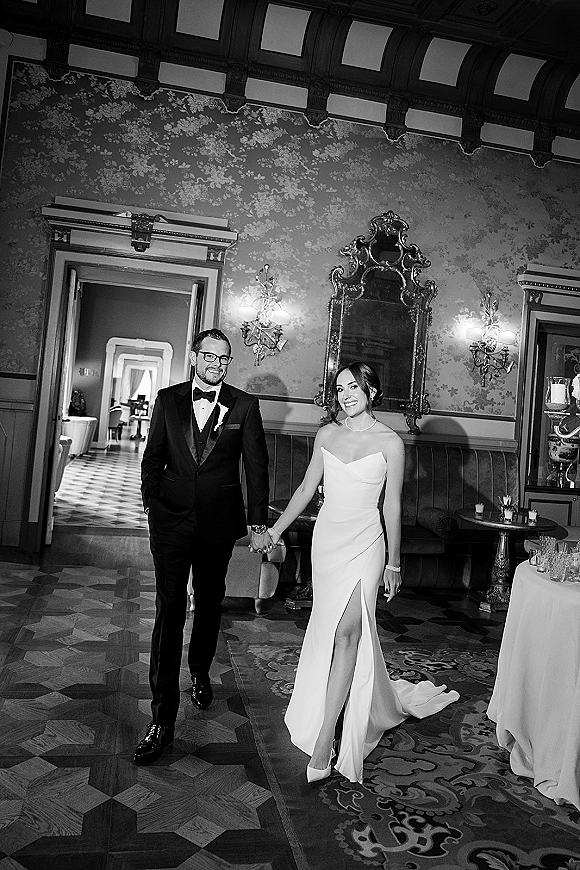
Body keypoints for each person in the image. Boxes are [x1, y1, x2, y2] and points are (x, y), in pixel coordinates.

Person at [268, 362, 459, 784]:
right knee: (327, 628)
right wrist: (274, 532)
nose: (345, 394)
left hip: (368, 543)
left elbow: (391, 505)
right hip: (329, 542)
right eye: (339, 388)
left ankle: (324, 739)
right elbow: (304, 490)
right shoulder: (326, 435)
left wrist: (393, 560)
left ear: (372, 390)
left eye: (353, 387)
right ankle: (333, 709)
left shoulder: (391, 442)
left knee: (348, 632)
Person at [135, 328, 271, 764]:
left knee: (210, 603)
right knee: (169, 609)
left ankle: (199, 672)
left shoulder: (245, 405)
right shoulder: (167, 399)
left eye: (224, 358)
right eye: (209, 355)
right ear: (194, 356)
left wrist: (256, 522)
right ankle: (161, 718)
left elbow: (256, 466)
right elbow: (152, 456)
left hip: (218, 524)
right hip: (170, 521)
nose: (216, 363)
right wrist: (151, 503)